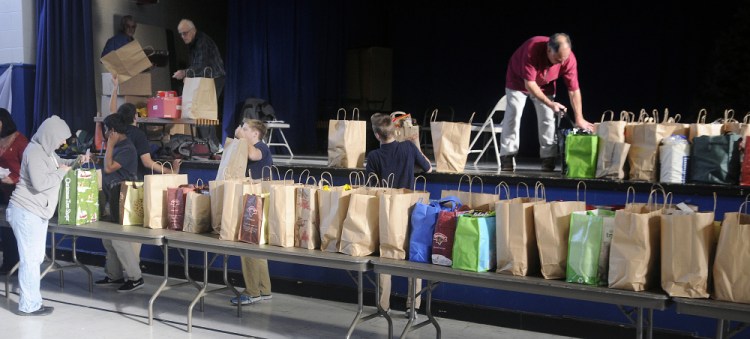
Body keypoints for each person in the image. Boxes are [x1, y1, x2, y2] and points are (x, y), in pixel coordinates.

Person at [6, 116, 86, 316]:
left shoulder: (46, 152)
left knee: (35, 258)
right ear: (50, 135)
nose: (63, 143)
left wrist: (77, 160)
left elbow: (61, 163)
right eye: (60, 138)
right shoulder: (34, 152)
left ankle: (33, 301)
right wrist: (62, 172)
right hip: (26, 212)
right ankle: (29, 305)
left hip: (36, 212)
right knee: (30, 260)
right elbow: (41, 183)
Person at [365, 113, 432, 318]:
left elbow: (371, 187)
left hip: (387, 208)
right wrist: (416, 145)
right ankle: (413, 307)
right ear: (395, 131)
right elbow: (428, 168)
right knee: (414, 257)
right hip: (411, 207)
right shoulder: (408, 148)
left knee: (386, 255)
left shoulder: (374, 156)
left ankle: (383, 306)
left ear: (377, 135)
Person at [499, 33, 593, 172]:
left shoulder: (568, 59)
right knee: (513, 115)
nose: (562, 63)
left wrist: (579, 117)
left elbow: (573, 90)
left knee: (548, 118)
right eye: (557, 59)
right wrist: (551, 104)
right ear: (548, 50)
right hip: (518, 82)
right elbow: (529, 84)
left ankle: (548, 158)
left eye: (564, 58)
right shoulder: (532, 50)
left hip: (545, 83)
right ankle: (507, 155)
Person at [94, 113, 144, 292]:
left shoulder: (127, 148)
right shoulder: (117, 146)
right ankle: (114, 275)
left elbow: (108, 167)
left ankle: (135, 277)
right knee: (108, 240)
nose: (105, 134)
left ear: (112, 131)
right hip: (111, 199)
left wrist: (111, 145)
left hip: (123, 201)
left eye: (106, 130)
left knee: (120, 241)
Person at [230, 119, 273, 305]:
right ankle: (263, 288)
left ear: (255, 133)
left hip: (254, 200)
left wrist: (241, 138)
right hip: (255, 200)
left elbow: (254, 155)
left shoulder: (261, 147)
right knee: (257, 248)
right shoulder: (247, 146)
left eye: (245, 129)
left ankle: (252, 291)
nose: (241, 130)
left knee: (247, 245)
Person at [108, 77, 181, 178]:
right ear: (136, 117)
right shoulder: (138, 134)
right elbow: (147, 162)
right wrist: (170, 171)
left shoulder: (115, 130)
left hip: (114, 177)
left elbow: (112, 111)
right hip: (132, 180)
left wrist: (115, 88)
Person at [172, 19, 226, 153]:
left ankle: (213, 146)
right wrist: (188, 75)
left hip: (214, 79)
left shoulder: (202, 41)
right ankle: (209, 146)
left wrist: (185, 73)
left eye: (185, 33)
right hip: (204, 79)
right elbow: (196, 65)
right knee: (199, 112)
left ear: (193, 30)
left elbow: (201, 65)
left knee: (204, 112)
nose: (183, 37)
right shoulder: (193, 42)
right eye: (181, 34)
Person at [0, 108, 28, 274]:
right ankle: (8, 262)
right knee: (4, 227)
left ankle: (13, 263)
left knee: (11, 229)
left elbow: (29, 170)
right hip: (2, 188)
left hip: (17, 192)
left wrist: (14, 178)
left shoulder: (21, 142)